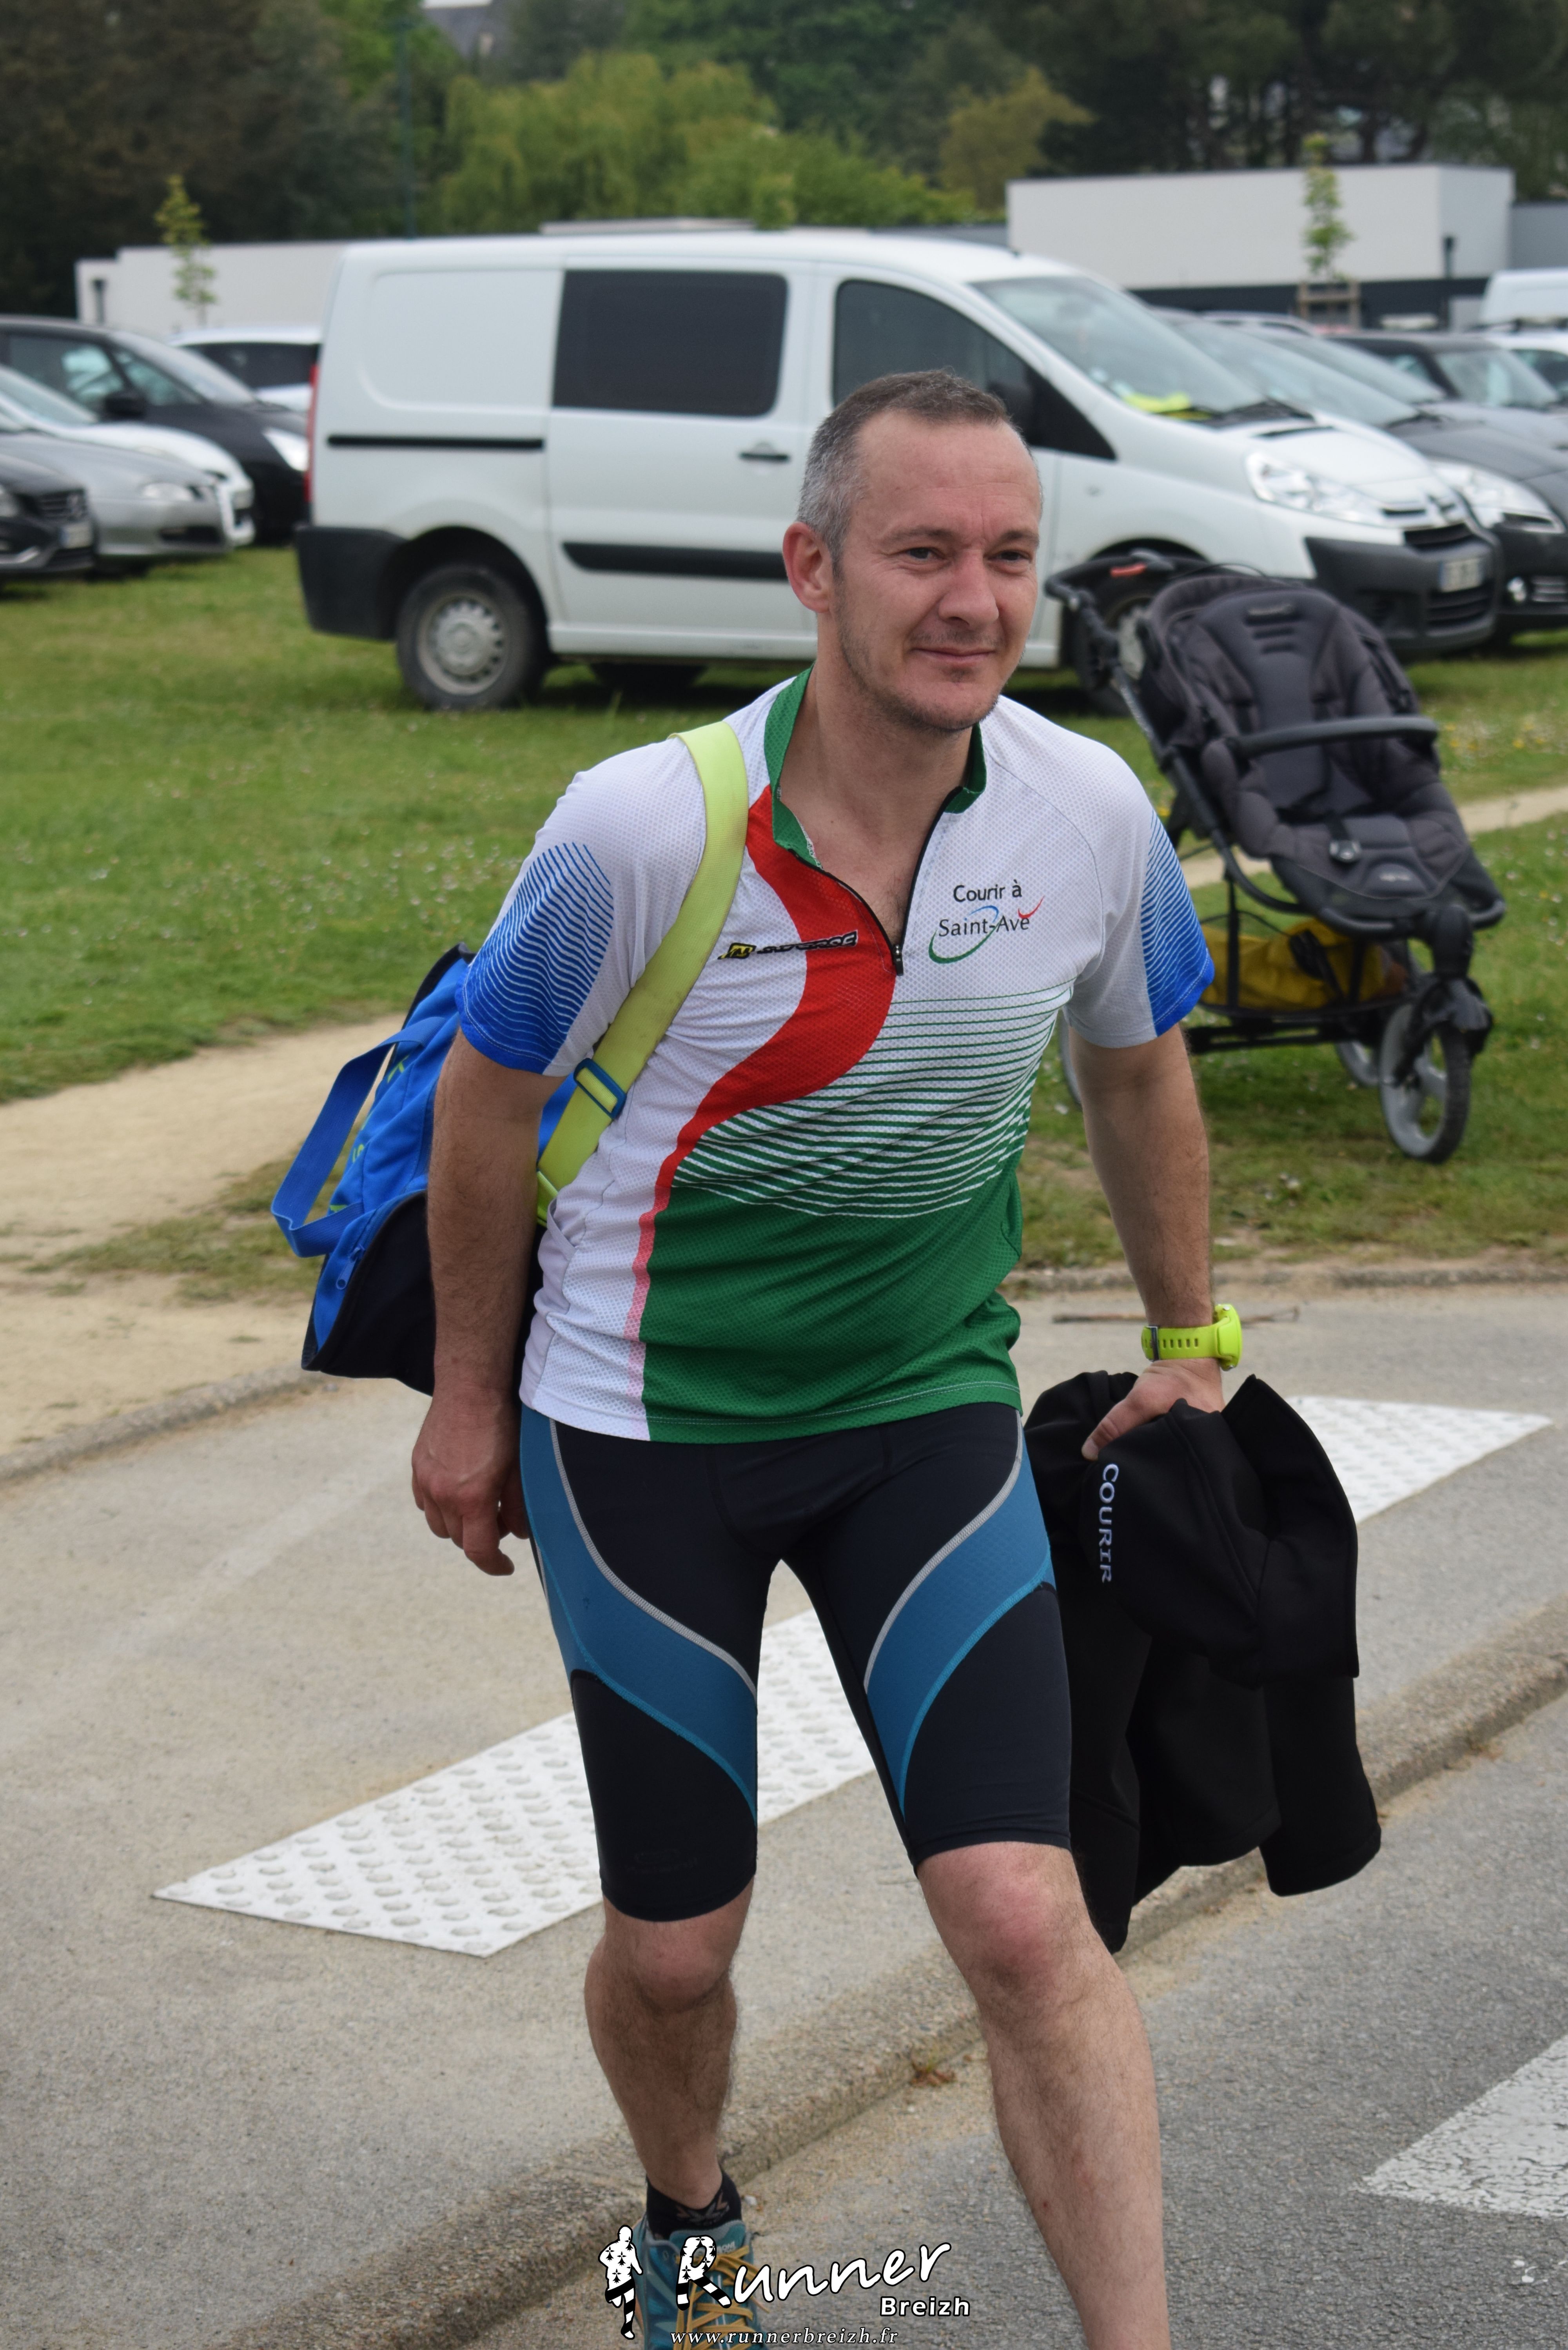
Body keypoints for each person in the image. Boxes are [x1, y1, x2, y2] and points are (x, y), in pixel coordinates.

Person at [412, 368, 1221, 2350]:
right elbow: (486, 1099)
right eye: (922, 550)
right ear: (812, 566)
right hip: (641, 1430)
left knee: (1023, 1913)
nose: (973, 598)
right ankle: (690, 2227)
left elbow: (1136, 1067)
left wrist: (1188, 1332)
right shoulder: (643, 825)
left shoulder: (1088, 811)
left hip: (919, 1417)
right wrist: (465, 1396)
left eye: (1008, 554)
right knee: (675, 1951)